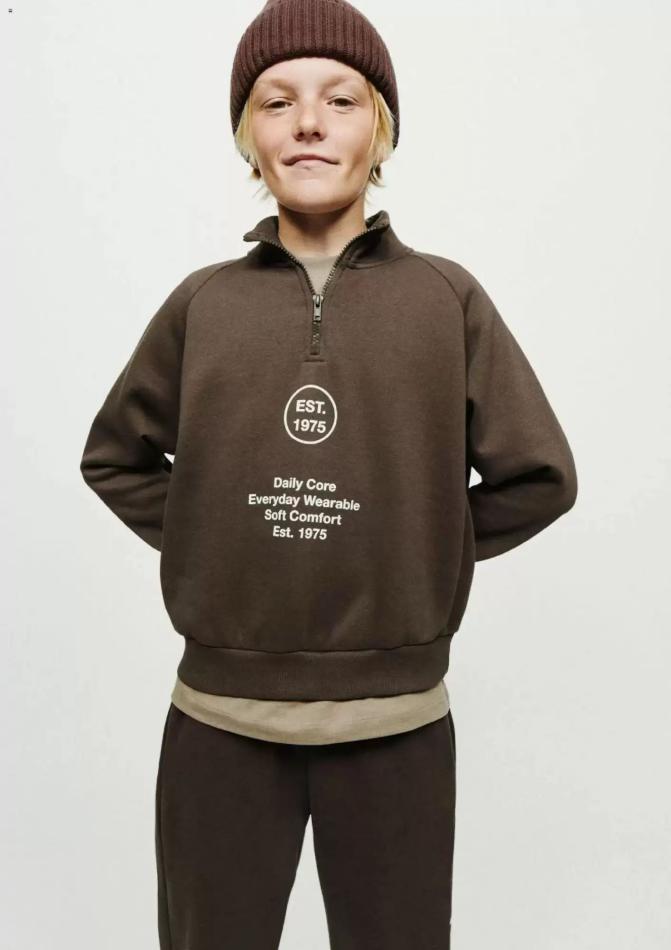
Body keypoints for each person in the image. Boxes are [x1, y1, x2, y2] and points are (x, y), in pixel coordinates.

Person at [79, 1, 578, 947]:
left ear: (380, 130)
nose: (308, 122)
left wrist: (421, 544)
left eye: (341, 100)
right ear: (249, 137)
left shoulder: (446, 300)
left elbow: (541, 476)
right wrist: (211, 532)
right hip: (218, 722)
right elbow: (115, 456)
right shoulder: (201, 305)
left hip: (397, 728)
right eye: (277, 102)